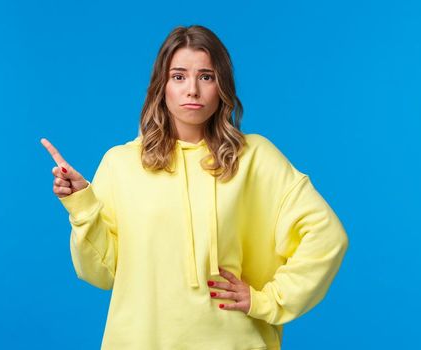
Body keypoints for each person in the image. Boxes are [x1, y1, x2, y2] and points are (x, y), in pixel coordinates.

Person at [40, 25, 348, 349]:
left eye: (206, 76)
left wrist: (267, 300)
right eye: (178, 76)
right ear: (162, 86)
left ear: (222, 86)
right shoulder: (121, 164)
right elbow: (100, 274)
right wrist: (82, 202)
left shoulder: (255, 157)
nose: (192, 90)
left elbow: (327, 236)